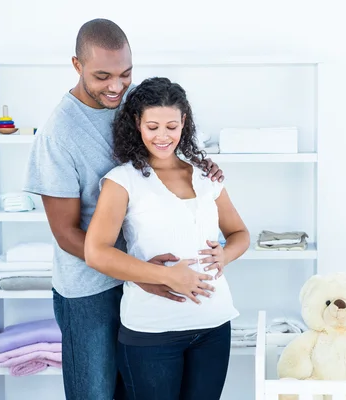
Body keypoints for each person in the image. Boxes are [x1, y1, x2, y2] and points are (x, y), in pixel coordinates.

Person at [23, 19, 226, 400]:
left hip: (143, 277)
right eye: (102, 76)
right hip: (90, 291)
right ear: (76, 65)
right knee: (96, 393)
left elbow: (161, 141)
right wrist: (143, 275)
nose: (116, 86)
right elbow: (66, 233)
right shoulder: (58, 134)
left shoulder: (127, 104)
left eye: (125, 74)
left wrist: (199, 164)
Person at [84, 76, 250, 400]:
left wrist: (226, 255)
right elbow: (96, 252)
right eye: (153, 126)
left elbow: (240, 234)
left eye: (171, 126)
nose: (163, 136)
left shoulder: (205, 175)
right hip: (152, 329)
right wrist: (166, 276)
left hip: (213, 325)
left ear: (184, 122)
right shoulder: (122, 181)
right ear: (137, 123)